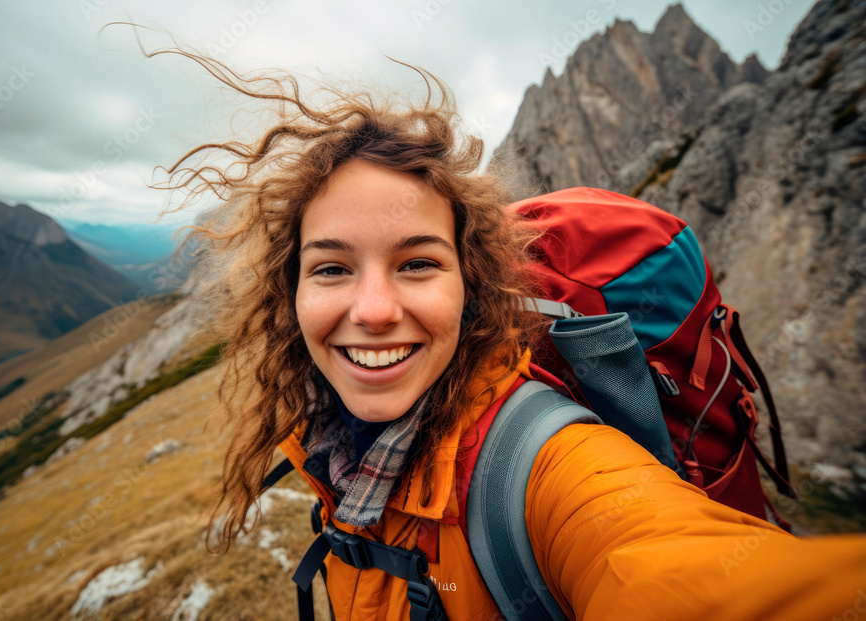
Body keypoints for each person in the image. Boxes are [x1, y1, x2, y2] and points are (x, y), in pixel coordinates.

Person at [163, 51, 866, 620]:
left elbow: (681, 573)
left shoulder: (550, 465)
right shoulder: (338, 446)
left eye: (417, 263)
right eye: (332, 267)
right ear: (292, 293)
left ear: (470, 285)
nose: (373, 308)